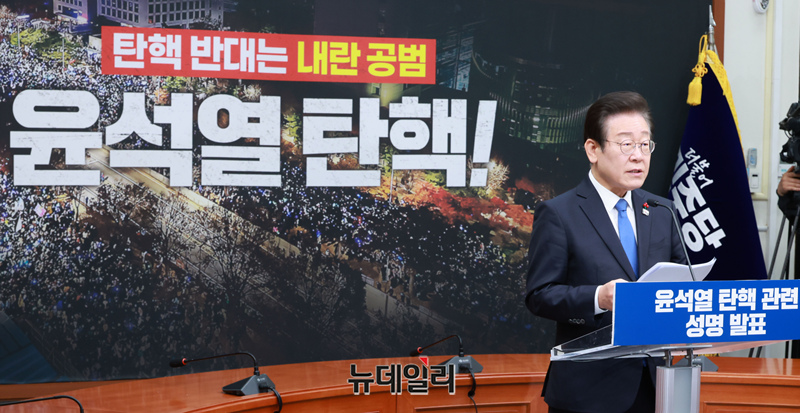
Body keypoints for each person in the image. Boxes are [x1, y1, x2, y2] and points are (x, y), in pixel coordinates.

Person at [525, 91, 686, 413]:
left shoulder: (662, 210)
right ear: (593, 150)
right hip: (588, 392)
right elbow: (540, 295)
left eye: (645, 144)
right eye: (626, 144)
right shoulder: (559, 213)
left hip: (657, 385)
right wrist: (599, 297)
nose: (638, 156)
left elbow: (685, 279)